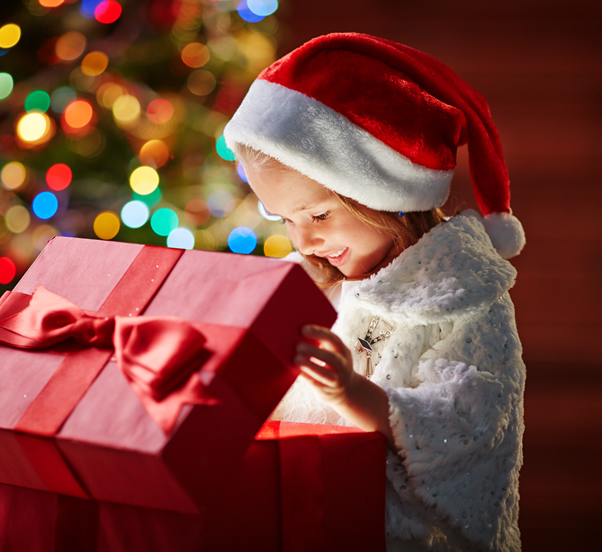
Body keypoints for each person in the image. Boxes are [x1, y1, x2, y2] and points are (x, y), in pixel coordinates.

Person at [223, 33, 525, 551]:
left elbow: (474, 428)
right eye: (284, 219)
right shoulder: (305, 285)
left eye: (318, 215)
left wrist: (354, 394)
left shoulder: (462, 298)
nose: (303, 239)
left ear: (384, 194)